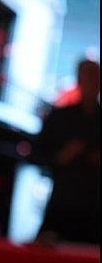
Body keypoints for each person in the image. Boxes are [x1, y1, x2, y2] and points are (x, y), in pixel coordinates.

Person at [35, 58, 100, 246]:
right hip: (63, 202)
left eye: (96, 76)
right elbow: (36, 155)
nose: (92, 82)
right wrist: (62, 157)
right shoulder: (59, 117)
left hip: (95, 207)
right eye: (88, 76)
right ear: (79, 79)